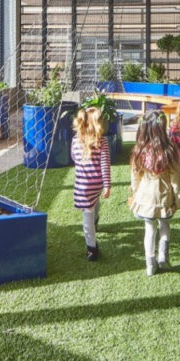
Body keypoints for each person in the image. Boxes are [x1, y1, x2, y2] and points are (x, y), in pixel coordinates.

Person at [129, 110, 180, 276]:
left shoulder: (139, 150)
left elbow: (135, 176)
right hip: (163, 195)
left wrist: (135, 193)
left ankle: (150, 263)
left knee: (149, 228)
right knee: (165, 225)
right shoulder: (169, 150)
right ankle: (163, 255)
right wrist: (179, 197)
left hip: (145, 195)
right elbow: (176, 177)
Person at [72, 106, 111, 261]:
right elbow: (105, 165)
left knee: (86, 217)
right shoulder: (103, 142)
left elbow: (74, 157)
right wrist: (107, 185)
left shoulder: (76, 140)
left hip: (82, 185)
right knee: (95, 201)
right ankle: (95, 220)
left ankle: (92, 249)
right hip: (97, 184)